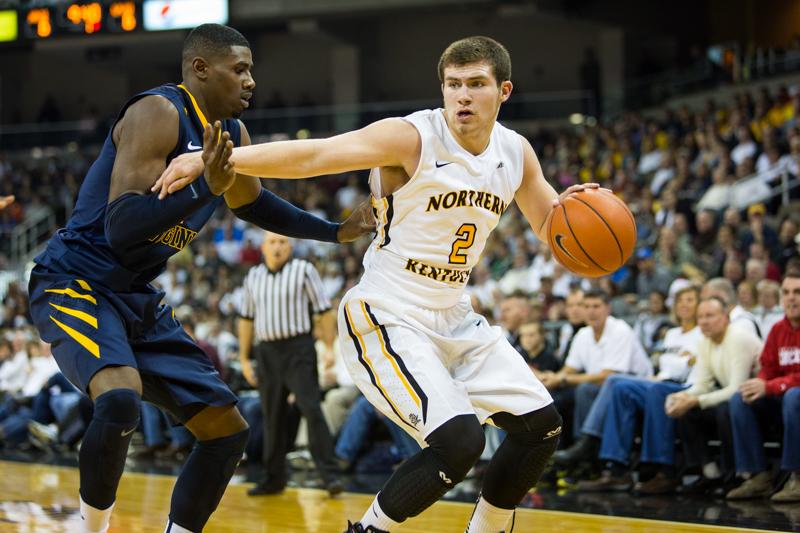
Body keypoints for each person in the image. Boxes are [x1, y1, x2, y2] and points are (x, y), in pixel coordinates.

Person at [157, 35, 591, 533]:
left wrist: (574, 214)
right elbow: (317, 155)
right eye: (453, 85)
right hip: (388, 312)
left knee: (542, 427)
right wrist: (218, 161)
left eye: (476, 85)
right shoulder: (411, 137)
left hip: (455, 314)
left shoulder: (516, 153)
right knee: (460, 444)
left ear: (504, 91)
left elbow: (555, 232)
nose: (462, 96)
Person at [26, 24, 370, 533]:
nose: (251, 80)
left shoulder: (233, 135)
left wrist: (336, 231)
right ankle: (90, 528)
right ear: (200, 69)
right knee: (119, 399)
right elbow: (120, 229)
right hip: (75, 281)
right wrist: (203, 186)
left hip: (135, 295)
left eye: (251, 69)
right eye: (240, 69)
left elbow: (252, 202)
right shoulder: (158, 113)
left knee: (226, 432)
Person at [238, 231, 343, 496]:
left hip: (299, 349)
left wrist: (329, 348)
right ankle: (274, 479)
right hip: (267, 352)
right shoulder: (253, 277)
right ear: (263, 247)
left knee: (311, 409)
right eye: (272, 242)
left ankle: (329, 475)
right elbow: (246, 319)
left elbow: (323, 311)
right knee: (271, 416)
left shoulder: (304, 270)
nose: (277, 247)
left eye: (283, 242)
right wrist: (244, 358)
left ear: (290, 246)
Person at [664, 296, 762, 496]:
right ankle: (708, 472)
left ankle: (735, 474)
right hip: (736, 398)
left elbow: (736, 388)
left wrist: (696, 400)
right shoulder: (705, 341)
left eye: (710, 316)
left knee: (725, 411)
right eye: (700, 317)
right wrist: (681, 397)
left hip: (758, 401)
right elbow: (702, 383)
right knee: (686, 411)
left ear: (725, 318)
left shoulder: (737, 337)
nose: (704, 321)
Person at [540, 289, 651, 451]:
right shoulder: (583, 334)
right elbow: (570, 368)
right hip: (603, 388)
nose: (591, 311)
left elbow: (609, 376)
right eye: (587, 306)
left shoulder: (620, 329)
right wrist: (552, 378)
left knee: (585, 390)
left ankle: (584, 446)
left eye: (596, 306)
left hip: (636, 388)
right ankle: (556, 452)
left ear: (608, 309)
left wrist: (562, 379)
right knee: (554, 396)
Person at [726, 273, 800, 502]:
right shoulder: (778, 330)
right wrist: (758, 383)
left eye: (797, 292)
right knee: (741, 397)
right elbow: (767, 368)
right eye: (786, 293)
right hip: (783, 399)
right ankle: (758, 476)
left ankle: (796, 475)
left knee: (794, 396)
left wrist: (770, 386)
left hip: (793, 398)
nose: (791, 299)